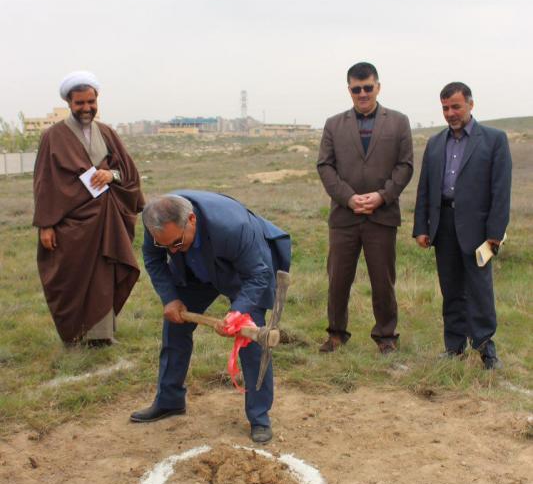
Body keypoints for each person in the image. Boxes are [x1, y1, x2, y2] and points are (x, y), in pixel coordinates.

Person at [130, 191, 291, 443]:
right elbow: (153, 258)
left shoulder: (233, 227)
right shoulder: (157, 223)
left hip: (241, 272)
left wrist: (238, 312)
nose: (172, 249)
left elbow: (258, 274)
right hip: (195, 272)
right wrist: (170, 297)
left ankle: (259, 417)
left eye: (177, 242)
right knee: (174, 329)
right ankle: (170, 401)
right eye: (166, 244)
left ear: (191, 220)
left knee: (252, 340)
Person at [33, 71, 145, 346]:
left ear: (97, 100)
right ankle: (75, 333)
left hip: (107, 221)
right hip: (70, 225)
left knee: (104, 275)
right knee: (71, 277)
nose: (86, 108)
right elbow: (44, 182)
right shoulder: (53, 136)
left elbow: (128, 173)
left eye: (90, 102)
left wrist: (111, 176)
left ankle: (102, 335)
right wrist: (46, 225)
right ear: (69, 103)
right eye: (80, 103)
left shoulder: (107, 133)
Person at [413, 82, 512, 369]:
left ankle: (486, 350)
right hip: (443, 226)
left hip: (478, 231)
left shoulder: (494, 139)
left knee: (480, 291)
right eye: (445, 108)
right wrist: (422, 227)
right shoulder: (434, 143)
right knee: (451, 290)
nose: (450, 113)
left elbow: (500, 190)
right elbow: (425, 189)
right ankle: (454, 347)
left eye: (456, 106)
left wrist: (495, 234)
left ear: (470, 104)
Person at [317, 61, 413, 354]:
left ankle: (386, 337)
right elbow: (325, 165)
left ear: (377, 87)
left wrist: (382, 196)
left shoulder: (398, 121)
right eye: (356, 89)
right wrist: (348, 198)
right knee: (338, 279)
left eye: (368, 88)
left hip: (381, 216)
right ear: (349, 90)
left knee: (383, 280)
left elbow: (405, 165)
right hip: (344, 217)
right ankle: (335, 334)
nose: (362, 93)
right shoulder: (334, 124)